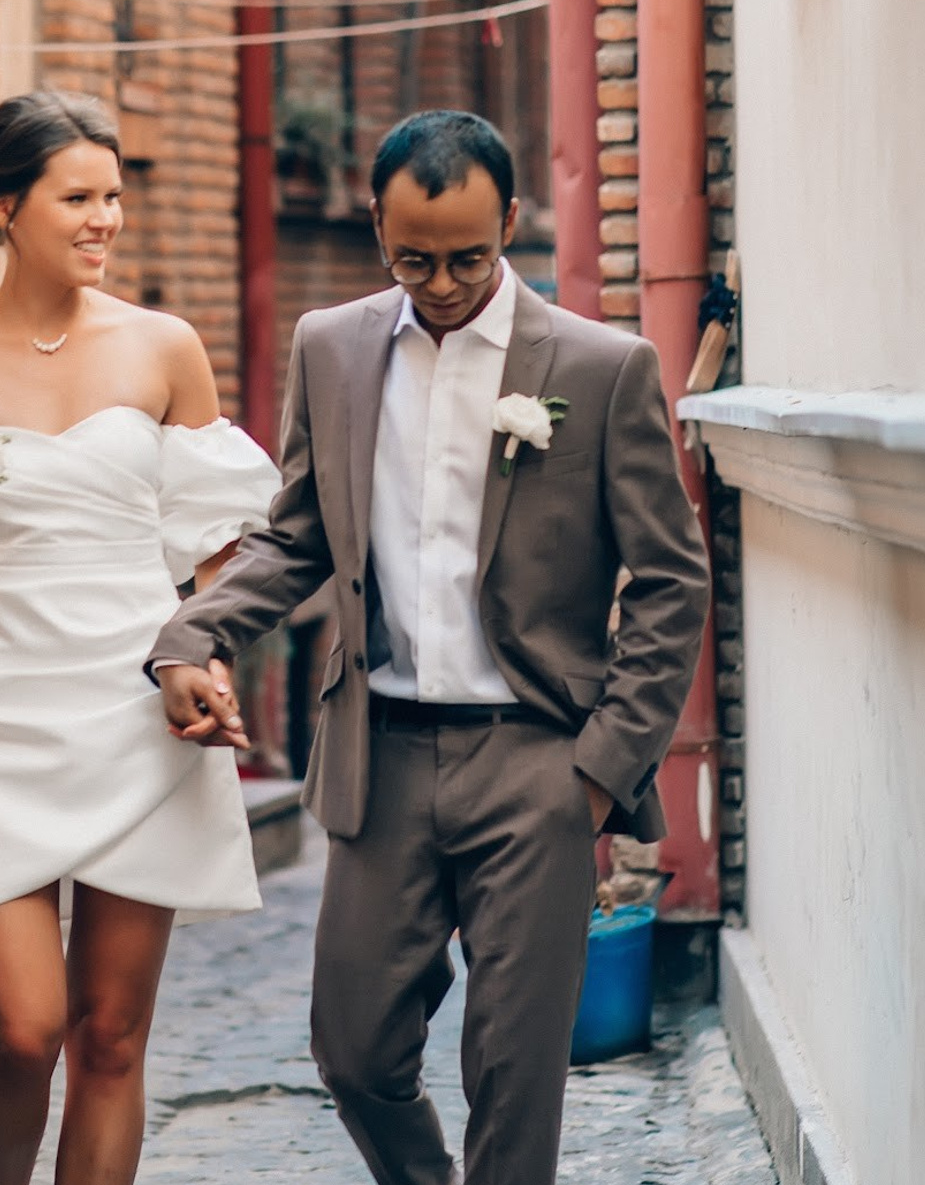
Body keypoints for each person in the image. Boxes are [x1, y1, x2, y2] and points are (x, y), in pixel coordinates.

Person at [150, 109, 711, 1185]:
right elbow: (298, 534)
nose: (442, 282)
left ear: (509, 220)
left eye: (467, 257)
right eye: (413, 258)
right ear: (376, 227)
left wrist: (598, 772)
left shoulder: (600, 368)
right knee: (353, 1052)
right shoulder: (334, 348)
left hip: (538, 760)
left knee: (514, 1076)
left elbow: (671, 581)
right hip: (381, 754)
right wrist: (193, 633)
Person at [0, 89, 279, 1185]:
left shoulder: (164, 349)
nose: (105, 219)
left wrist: (201, 657)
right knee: (25, 1031)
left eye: (114, 197)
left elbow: (221, 545)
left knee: (111, 1037)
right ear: (7, 204)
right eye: (79, 197)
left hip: (136, 709)